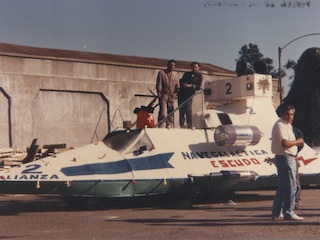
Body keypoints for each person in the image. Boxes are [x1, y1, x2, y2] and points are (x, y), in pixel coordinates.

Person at [271, 105, 304, 221]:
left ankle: (276, 212)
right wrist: (298, 141)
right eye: (287, 114)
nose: (289, 117)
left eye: (291, 114)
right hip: (285, 157)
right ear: (281, 114)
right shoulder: (280, 125)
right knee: (291, 186)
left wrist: (294, 143)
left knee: (283, 186)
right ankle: (288, 212)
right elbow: (285, 143)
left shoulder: (287, 126)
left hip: (287, 157)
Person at [178, 61, 203, 128]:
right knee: (181, 110)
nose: (194, 68)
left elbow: (198, 86)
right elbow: (181, 81)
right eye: (193, 67)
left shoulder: (199, 76)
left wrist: (191, 86)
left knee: (188, 110)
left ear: (198, 68)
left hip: (189, 95)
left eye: (195, 67)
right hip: (182, 94)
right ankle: (182, 125)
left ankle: (189, 125)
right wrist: (184, 84)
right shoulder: (186, 74)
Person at [156, 59, 178, 128]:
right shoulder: (162, 73)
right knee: (162, 110)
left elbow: (176, 85)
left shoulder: (174, 75)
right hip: (164, 94)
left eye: (174, 65)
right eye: (171, 65)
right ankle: (161, 125)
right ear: (168, 65)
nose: (172, 66)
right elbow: (159, 83)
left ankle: (169, 124)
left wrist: (175, 93)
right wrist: (159, 92)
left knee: (171, 111)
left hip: (171, 95)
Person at [293, 126, 304, 207]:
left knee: (295, 179)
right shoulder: (280, 128)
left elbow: (301, 143)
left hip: (293, 157)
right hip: (282, 157)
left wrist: (295, 152)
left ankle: (297, 199)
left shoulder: (296, 130)